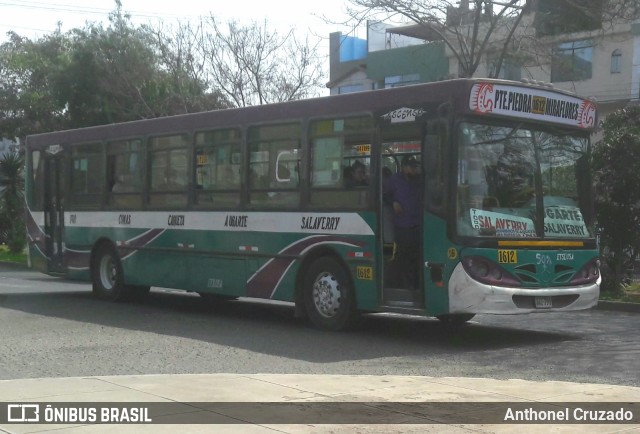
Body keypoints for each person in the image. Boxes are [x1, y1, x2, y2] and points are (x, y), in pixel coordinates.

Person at [385, 155, 421, 289]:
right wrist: (393, 202)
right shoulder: (394, 180)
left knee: (415, 259)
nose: (414, 169)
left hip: (416, 226)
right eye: (412, 167)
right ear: (404, 167)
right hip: (402, 226)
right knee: (403, 259)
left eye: (415, 167)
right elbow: (385, 196)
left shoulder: (418, 180)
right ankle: (404, 286)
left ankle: (414, 285)